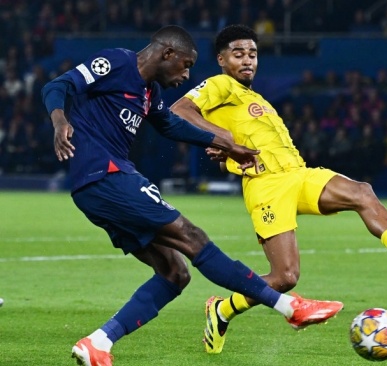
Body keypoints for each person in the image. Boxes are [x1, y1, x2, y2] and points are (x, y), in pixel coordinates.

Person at [40, 25, 343, 366]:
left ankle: (98, 343)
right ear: (167, 54)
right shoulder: (116, 62)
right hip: (107, 174)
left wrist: (225, 144)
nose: (186, 75)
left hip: (99, 188)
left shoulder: (148, 93)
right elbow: (58, 85)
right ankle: (290, 308)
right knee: (192, 236)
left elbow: (170, 125)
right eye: (185, 66)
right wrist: (60, 120)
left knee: (175, 273)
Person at [169, 24, 387, 354]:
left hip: (298, 174)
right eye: (238, 54)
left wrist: (224, 148)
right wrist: (222, 139)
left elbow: (232, 149)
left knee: (361, 192)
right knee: (285, 277)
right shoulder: (219, 85)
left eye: (253, 54)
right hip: (266, 187)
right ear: (221, 59)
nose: (247, 60)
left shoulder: (253, 98)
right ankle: (223, 309)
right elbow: (179, 111)